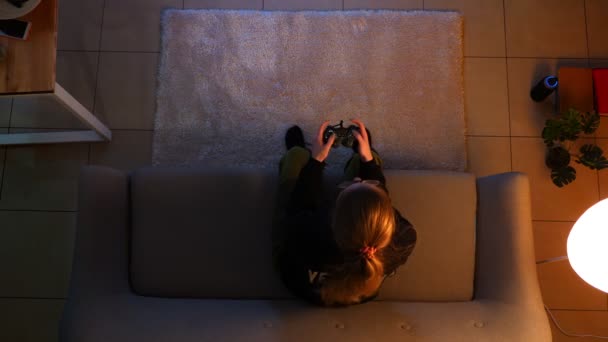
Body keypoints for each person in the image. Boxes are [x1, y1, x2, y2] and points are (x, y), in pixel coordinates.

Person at [273, 119, 417, 307]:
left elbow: (298, 206)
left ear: (332, 214)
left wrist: (315, 162)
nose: (358, 178)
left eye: (349, 185)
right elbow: (383, 204)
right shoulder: (404, 239)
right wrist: (368, 161)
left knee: (296, 158)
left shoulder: (307, 230)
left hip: (301, 272)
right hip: (360, 292)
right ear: (387, 222)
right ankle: (362, 155)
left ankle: (299, 151)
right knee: (365, 160)